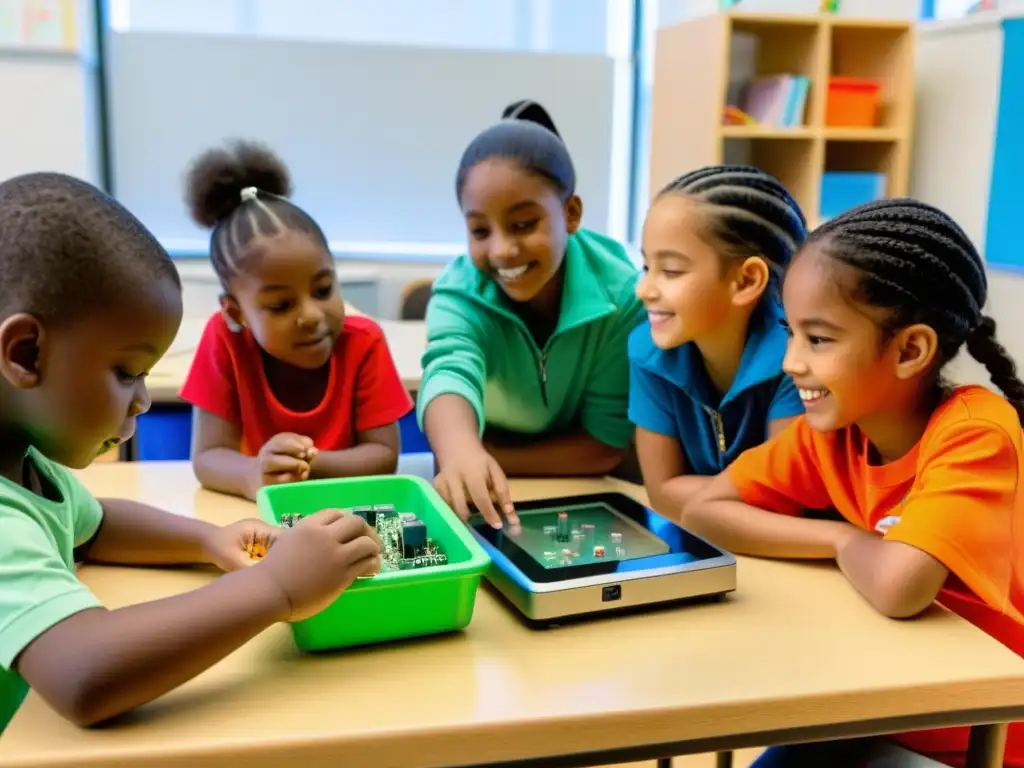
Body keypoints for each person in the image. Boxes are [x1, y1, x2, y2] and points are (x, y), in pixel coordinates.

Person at [0, 172, 381, 730]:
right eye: (127, 372)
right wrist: (275, 588)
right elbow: (84, 674)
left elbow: (96, 525)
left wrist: (208, 539)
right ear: (27, 354)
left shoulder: (24, 461)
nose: (143, 402)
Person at [685, 198, 1024, 767]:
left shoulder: (977, 434)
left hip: (971, 735)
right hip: (872, 702)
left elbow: (899, 587)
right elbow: (705, 509)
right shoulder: (835, 431)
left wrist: (852, 543)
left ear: (910, 350)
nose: (791, 362)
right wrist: (839, 539)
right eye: (790, 334)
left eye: (818, 340)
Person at [418, 100, 645, 528]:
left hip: (586, 494)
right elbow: (449, 368)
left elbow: (602, 446)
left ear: (571, 214)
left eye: (523, 224)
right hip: (497, 491)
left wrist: (484, 456)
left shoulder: (622, 297)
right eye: (480, 230)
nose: (502, 249)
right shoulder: (459, 291)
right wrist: (460, 451)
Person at [179, 141, 414, 501]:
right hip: (265, 521)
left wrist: (308, 465)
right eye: (281, 305)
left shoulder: (364, 341)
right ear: (236, 312)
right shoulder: (224, 338)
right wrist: (254, 473)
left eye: (322, 290)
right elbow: (208, 458)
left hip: (353, 514)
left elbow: (384, 456)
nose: (311, 316)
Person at [629, 165, 807, 517]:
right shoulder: (648, 350)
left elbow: (786, 500)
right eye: (647, 267)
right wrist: (749, 493)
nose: (643, 290)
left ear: (745, 282)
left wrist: (692, 494)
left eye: (671, 271)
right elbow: (661, 492)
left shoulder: (798, 362)